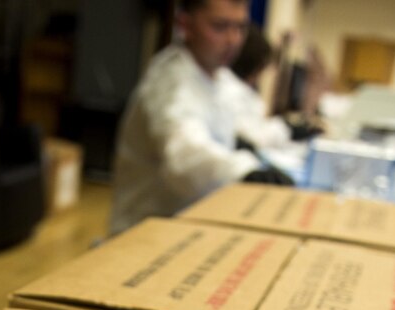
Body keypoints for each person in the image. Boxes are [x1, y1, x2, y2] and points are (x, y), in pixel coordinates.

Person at [108, 0, 291, 235]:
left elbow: (246, 124)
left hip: (190, 226)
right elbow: (184, 154)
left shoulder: (218, 77)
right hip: (144, 234)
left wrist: (280, 134)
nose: (233, 39)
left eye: (240, 28)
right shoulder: (170, 82)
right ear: (185, 24)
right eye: (219, 27)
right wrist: (244, 170)